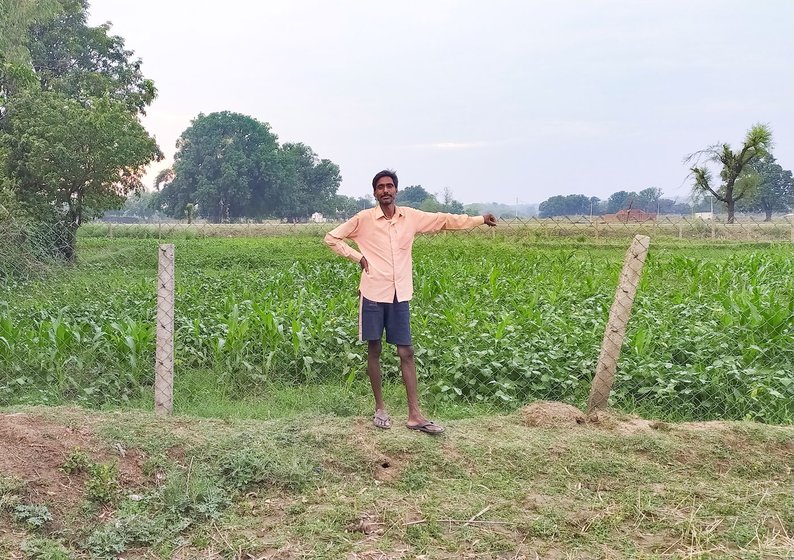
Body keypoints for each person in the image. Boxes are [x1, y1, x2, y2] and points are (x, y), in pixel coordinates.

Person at [324, 169, 497, 434]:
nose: (385, 191)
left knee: (406, 352)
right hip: (372, 292)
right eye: (380, 187)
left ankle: (415, 414)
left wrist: (479, 219)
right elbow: (332, 237)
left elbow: (444, 220)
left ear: (396, 190)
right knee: (374, 350)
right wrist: (357, 257)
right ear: (374, 193)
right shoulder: (364, 219)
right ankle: (380, 408)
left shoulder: (410, 218)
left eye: (389, 186)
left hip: (399, 294)